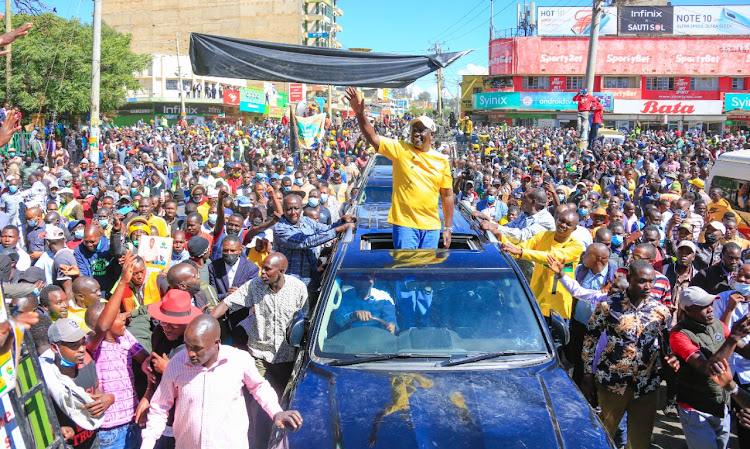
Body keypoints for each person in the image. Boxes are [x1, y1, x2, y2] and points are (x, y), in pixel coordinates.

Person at [139, 315, 303, 449]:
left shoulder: (239, 360)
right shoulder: (176, 364)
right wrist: (147, 443)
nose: (190, 353)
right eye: (187, 346)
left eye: (197, 348)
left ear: (216, 344)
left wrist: (276, 411)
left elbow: (259, 387)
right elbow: (160, 406)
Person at [345, 87, 454, 249]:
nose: (416, 133)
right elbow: (373, 138)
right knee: (407, 270)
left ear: (432, 134)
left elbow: (447, 196)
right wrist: (360, 114)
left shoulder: (441, 161)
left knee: (424, 271)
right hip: (405, 225)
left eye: (422, 130)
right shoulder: (400, 149)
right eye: (414, 130)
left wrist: (448, 228)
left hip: (431, 227)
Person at [582, 259, 673, 449]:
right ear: (629, 279)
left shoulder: (661, 311)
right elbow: (590, 339)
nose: (648, 286)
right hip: (612, 383)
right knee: (603, 434)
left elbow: (667, 344)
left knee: (640, 440)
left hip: (646, 386)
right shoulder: (608, 306)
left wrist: (671, 363)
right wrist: (587, 373)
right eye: (642, 281)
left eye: (651, 281)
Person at [670, 287, 750, 449]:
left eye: (711, 303)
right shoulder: (679, 335)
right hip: (696, 409)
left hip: (721, 405)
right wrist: (734, 337)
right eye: (703, 306)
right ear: (689, 309)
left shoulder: (718, 325)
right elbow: (708, 369)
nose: (711, 309)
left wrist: (740, 333)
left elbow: (746, 351)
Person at [84, 252, 148, 449]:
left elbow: (145, 361)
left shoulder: (125, 337)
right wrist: (122, 282)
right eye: (117, 316)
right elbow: (103, 326)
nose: (124, 319)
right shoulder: (93, 345)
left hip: (132, 420)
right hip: (109, 430)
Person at [135, 289, 203, 449]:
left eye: (173, 324)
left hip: (186, 420)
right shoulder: (159, 333)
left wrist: (169, 370)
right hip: (162, 417)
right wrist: (148, 394)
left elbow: (200, 385)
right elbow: (152, 367)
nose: (167, 328)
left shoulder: (197, 345)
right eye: (163, 322)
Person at [40, 318, 115, 449]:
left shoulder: (87, 364)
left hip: (92, 442)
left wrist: (108, 398)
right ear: (54, 348)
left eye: (83, 342)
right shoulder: (45, 380)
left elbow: (95, 389)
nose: (82, 349)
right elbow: (38, 422)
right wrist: (57, 430)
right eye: (74, 345)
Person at [500, 209, 583, 319]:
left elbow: (551, 256)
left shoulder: (576, 246)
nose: (563, 225)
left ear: (574, 229)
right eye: (561, 221)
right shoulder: (543, 235)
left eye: (568, 224)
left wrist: (521, 252)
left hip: (558, 306)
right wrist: (498, 235)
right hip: (537, 298)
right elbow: (517, 250)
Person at [273, 194, 354, 290]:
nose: (293, 212)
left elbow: (325, 229)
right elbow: (306, 241)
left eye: (296, 208)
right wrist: (338, 230)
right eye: (289, 209)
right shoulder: (280, 229)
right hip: (292, 282)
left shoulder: (306, 221)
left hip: (312, 279)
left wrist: (342, 221)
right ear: (283, 209)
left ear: (301, 208)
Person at [482, 188, 555, 244]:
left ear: (533, 202)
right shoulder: (525, 214)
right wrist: (487, 219)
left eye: (524, 197)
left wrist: (496, 227)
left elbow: (521, 236)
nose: (521, 200)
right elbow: (508, 227)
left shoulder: (545, 220)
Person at [208, 235, 259, 301]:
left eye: (233, 251)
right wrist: (226, 295)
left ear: (240, 250)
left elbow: (252, 294)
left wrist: (240, 294)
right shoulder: (213, 266)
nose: (229, 253)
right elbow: (212, 294)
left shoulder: (251, 269)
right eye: (225, 250)